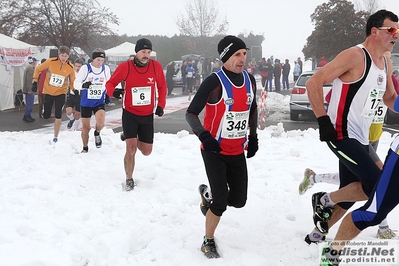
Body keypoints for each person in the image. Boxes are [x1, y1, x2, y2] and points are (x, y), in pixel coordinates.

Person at [304, 10, 398, 263]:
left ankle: (316, 232)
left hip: (362, 138)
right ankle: (324, 200)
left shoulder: (386, 61)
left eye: (398, 31)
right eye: (391, 30)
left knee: (349, 194)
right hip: (340, 133)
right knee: (374, 188)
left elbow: (389, 98)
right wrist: (323, 120)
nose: (395, 36)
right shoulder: (355, 55)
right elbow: (315, 82)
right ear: (374, 31)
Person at [185, 35, 259, 259]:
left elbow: (252, 108)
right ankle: (207, 241)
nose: (242, 58)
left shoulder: (250, 80)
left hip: (237, 151)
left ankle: (208, 195)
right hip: (214, 150)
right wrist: (204, 136)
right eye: (237, 54)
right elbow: (191, 113)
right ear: (225, 56)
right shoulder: (214, 81)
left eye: (244, 53)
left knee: (238, 200)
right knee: (220, 203)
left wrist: (253, 137)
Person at [105, 38, 167, 191]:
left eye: (148, 52)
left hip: (147, 115)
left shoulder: (155, 66)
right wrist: (114, 92)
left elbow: (162, 86)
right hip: (130, 113)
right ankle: (129, 178)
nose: (146, 55)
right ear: (136, 52)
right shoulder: (125, 67)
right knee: (131, 149)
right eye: (143, 52)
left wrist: (161, 105)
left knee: (146, 151)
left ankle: (130, 136)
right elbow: (110, 84)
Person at [32, 46, 76, 143]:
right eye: (62, 55)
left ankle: (56, 136)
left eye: (66, 56)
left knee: (58, 114)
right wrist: (35, 81)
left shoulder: (70, 67)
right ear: (58, 55)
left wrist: (74, 90)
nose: (64, 58)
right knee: (46, 115)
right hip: (48, 92)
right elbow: (38, 69)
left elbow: (72, 81)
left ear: (68, 56)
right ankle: (45, 110)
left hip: (61, 92)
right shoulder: (51, 62)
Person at [74, 49, 111, 153]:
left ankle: (97, 132)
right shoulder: (86, 68)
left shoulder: (105, 69)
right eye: (98, 59)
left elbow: (110, 82)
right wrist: (83, 85)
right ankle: (85, 148)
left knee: (101, 123)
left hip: (99, 101)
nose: (100, 62)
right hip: (86, 102)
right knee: (85, 128)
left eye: (102, 60)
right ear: (93, 59)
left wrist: (111, 93)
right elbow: (76, 83)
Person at [66, 58, 84, 131]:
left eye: (79, 66)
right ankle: (71, 119)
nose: (77, 68)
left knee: (77, 115)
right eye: (76, 66)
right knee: (68, 111)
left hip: (80, 96)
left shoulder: (84, 74)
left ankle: (75, 129)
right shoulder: (72, 72)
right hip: (72, 94)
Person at [22, 57, 38, 122]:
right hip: (29, 89)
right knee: (29, 103)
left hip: (27, 88)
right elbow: (29, 80)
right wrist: (29, 89)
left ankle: (28, 115)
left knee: (29, 102)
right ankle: (26, 115)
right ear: (34, 62)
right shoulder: (31, 69)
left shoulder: (28, 67)